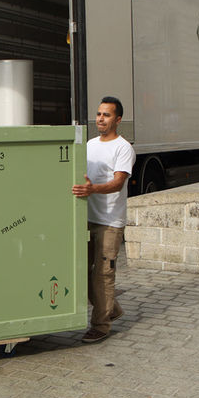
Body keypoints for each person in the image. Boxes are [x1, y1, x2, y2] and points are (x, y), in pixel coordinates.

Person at [71, 97, 135, 343]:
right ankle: (112, 309)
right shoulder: (89, 144)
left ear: (117, 120)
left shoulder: (123, 148)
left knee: (103, 275)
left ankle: (101, 324)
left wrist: (92, 190)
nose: (100, 119)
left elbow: (118, 183)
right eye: (98, 114)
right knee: (82, 272)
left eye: (106, 115)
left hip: (110, 221)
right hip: (85, 217)